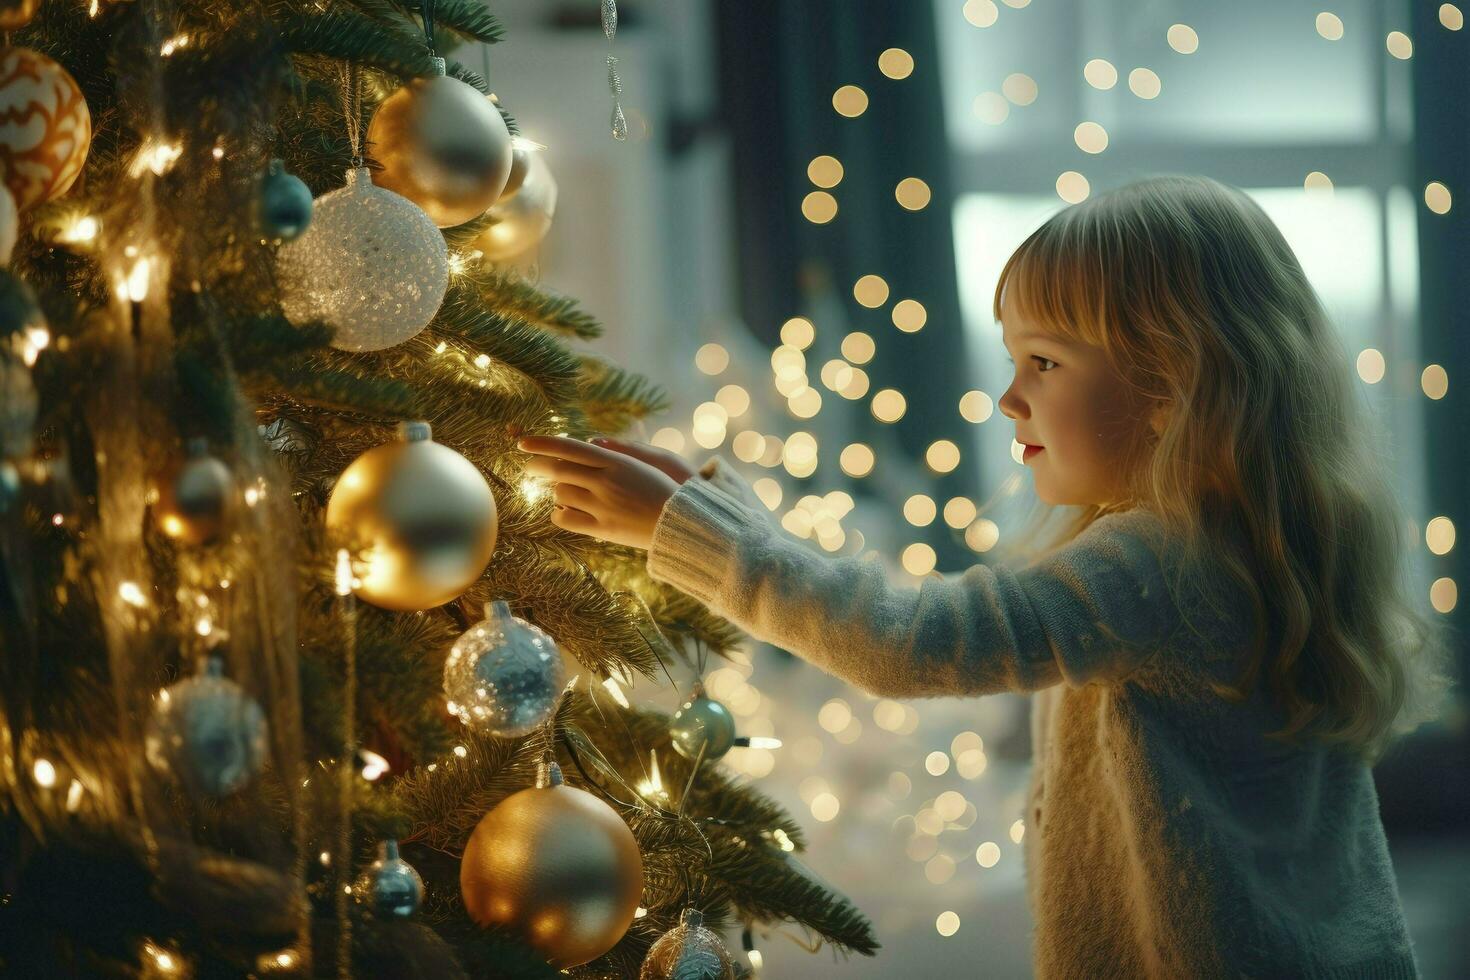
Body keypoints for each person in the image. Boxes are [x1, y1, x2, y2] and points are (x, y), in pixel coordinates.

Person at [517, 175, 1451, 979]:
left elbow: (914, 643)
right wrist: (725, 516)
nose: (1009, 398)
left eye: (1043, 362)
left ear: (1173, 384)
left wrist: (692, 534)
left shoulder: (1159, 561)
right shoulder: (1243, 540)